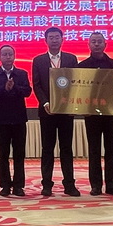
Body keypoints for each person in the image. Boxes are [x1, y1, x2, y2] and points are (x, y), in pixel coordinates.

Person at [31, 27, 80, 197]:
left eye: (57, 37)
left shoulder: (71, 59)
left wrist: (72, 104)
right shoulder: (38, 60)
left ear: (62, 39)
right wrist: (45, 103)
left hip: (66, 111)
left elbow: (76, 83)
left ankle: (69, 184)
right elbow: (36, 85)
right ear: (45, 40)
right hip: (47, 111)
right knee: (47, 148)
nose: (54, 40)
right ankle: (47, 185)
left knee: (66, 148)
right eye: (51, 37)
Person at [77, 32, 113, 197]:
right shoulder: (82, 66)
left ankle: (112, 186)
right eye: (93, 41)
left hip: (111, 112)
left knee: (111, 150)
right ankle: (96, 186)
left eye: (99, 41)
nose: (97, 44)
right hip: (91, 114)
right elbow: (78, 90)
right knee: (94, 150)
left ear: (105, 44)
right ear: (89, 45)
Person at [0, 44, 32, 197]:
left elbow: (27, 91)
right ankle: (5, 185)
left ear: (14, 56)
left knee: (19, 154)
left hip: (19, 118)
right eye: (4, 54)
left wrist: (14, 88)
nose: (8, 57)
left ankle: (18, 186)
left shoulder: (22, 73)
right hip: (2, 119)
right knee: (3, 154)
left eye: (10, 54)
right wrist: (5, 88)